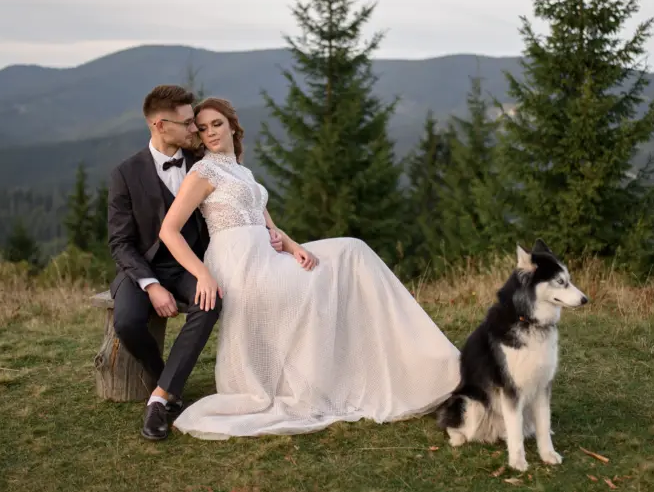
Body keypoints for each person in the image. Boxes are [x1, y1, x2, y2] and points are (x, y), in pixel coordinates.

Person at [158, 97, 461, 439]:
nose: (210, 132)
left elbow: (266, 222)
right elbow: (168, 231)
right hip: (239, 264)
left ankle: (424, 360)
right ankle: (365, 369)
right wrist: (202, 274)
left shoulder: (242, 171)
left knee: (352, 252)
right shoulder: (204, 171)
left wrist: (293, 247)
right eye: (202, 128)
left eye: (217, 124)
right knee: (344, 260)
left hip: (268, 255)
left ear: (231, 126)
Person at [106, 85, 283, 441]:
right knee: (127, 321)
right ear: (159, 124)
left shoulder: (205, 164)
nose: (195, 130)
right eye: (187, 123)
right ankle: (167, 382)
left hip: (189, 267)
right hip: (142, 268)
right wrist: (150, 285)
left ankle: (159, 399)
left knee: (210, 301)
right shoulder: (125, 173)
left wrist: (278, 238)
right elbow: (120, 242)